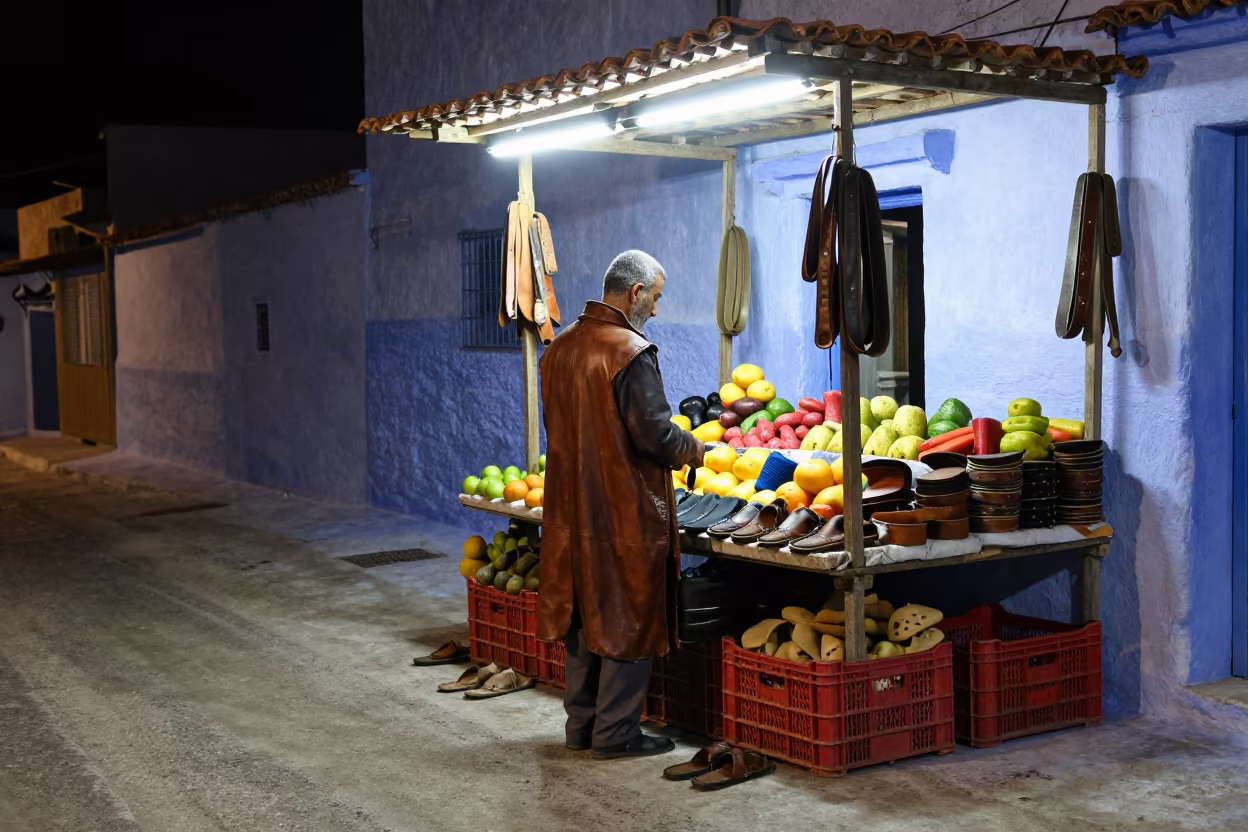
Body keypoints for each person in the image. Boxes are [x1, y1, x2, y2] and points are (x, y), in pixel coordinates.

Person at [537, 249, 706, 759]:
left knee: (584, 617)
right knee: (628, 616)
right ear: (635, 293)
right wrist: (696, 447)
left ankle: (581, 730)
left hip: (569, 511)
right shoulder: (630, 351)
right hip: (622, 512)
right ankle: (615, 734)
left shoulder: (559, 349)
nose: (655, 310)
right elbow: (654, 435)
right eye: (655, 297)